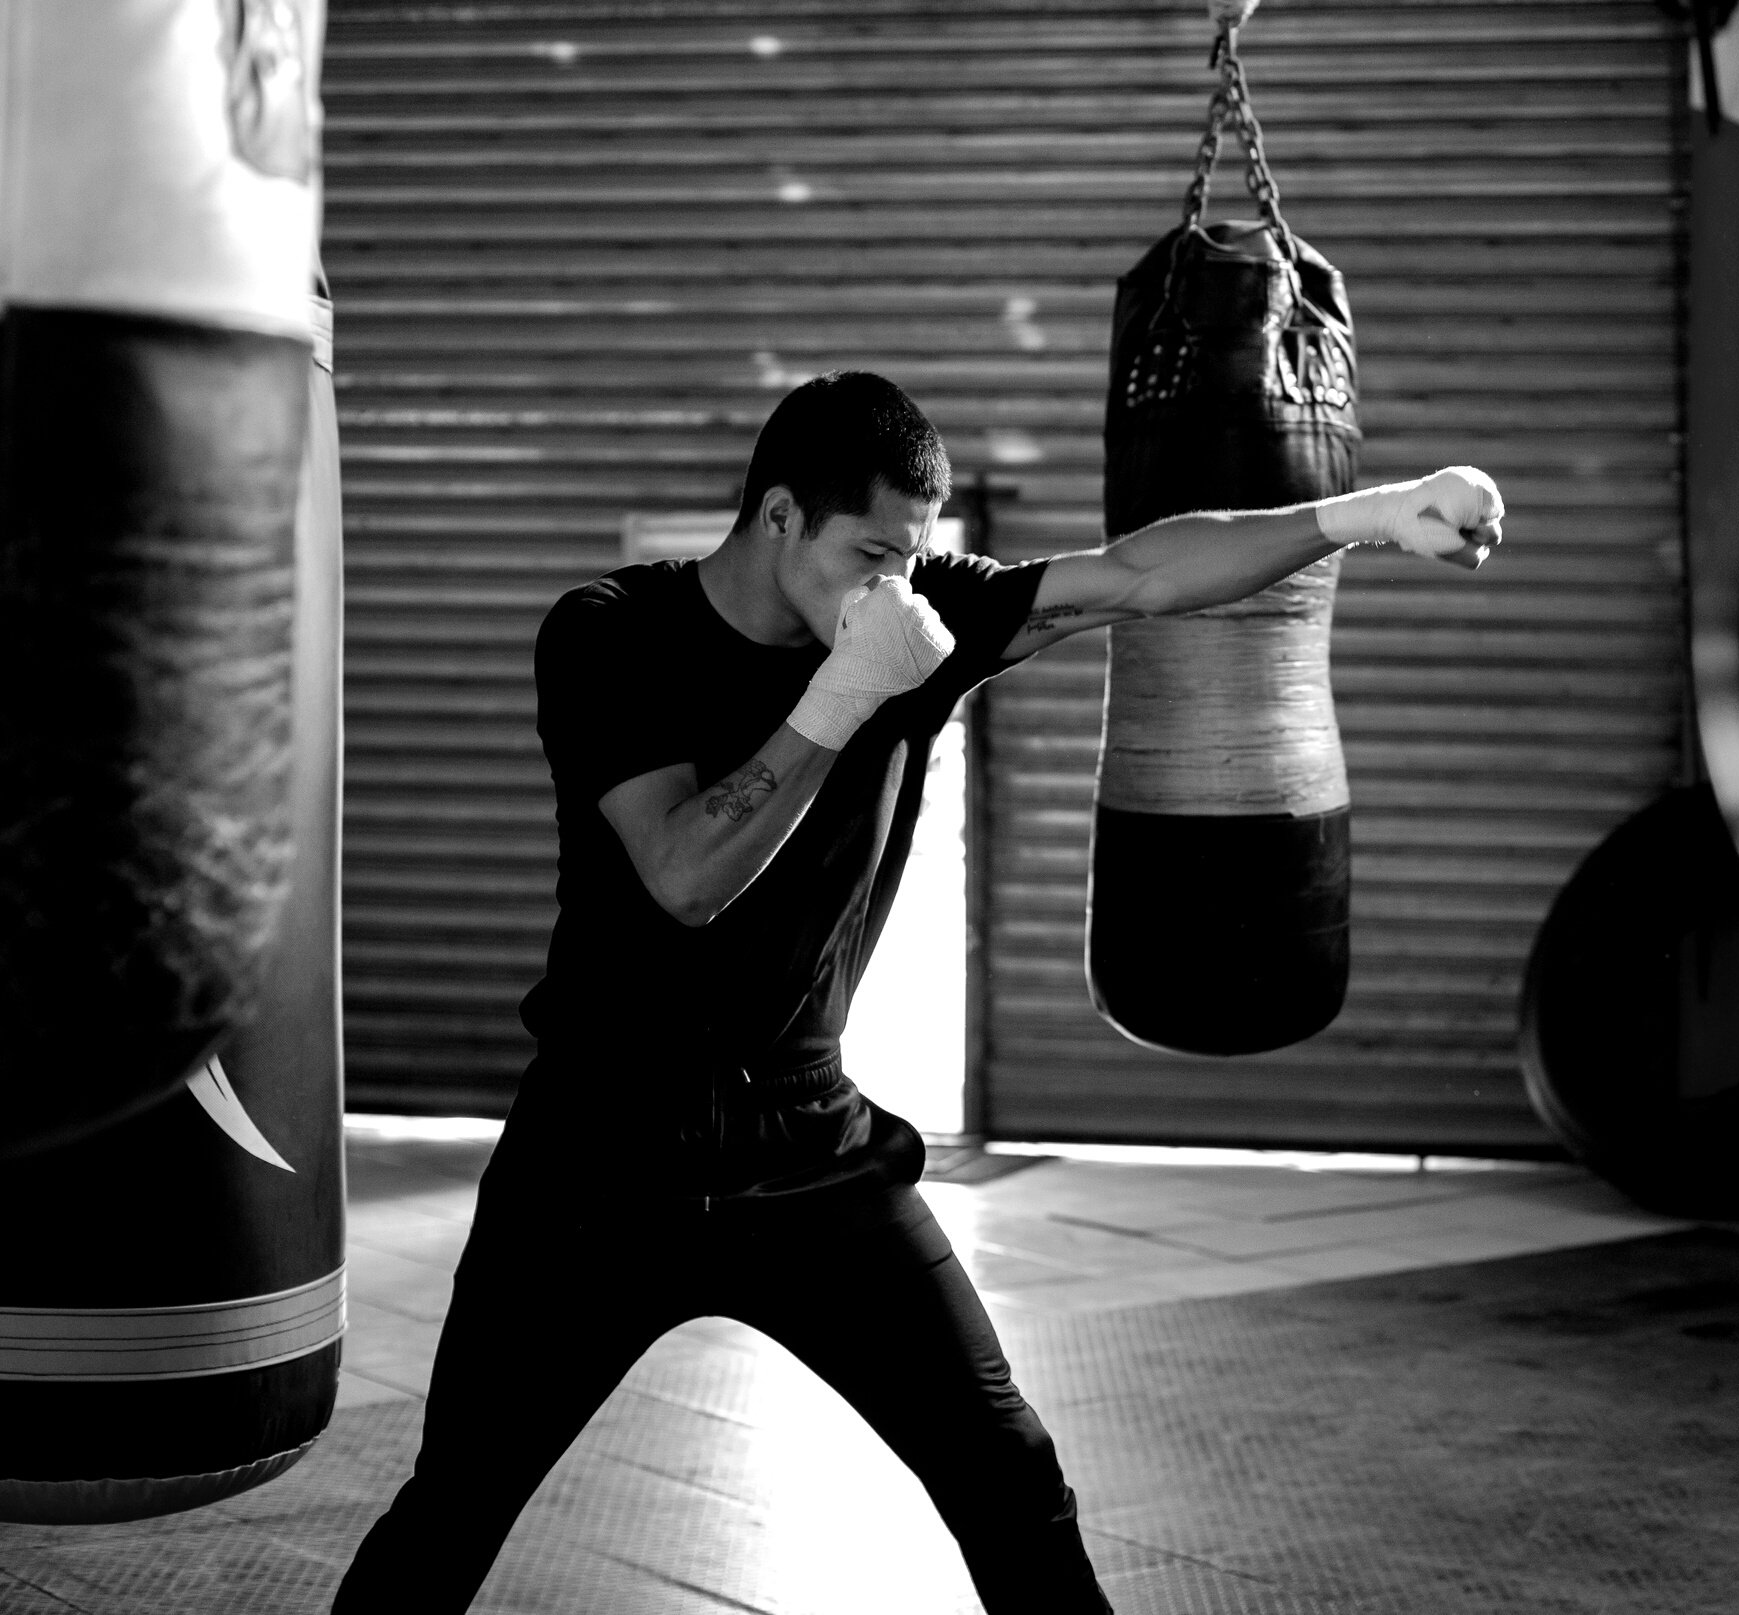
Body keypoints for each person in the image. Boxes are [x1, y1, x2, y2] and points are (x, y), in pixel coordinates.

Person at [328, 370, 1506, 1614]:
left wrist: (1365, 514)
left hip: (806, 1142)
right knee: (455, 1504)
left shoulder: (910, 613)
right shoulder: (612, 631)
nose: (894, 585)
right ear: (778, 516)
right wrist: (845, 694)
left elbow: (1141, 573)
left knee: (1008, 1469)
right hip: (600, 1153)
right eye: (870, 553)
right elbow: (682, 874)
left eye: (913, 556)